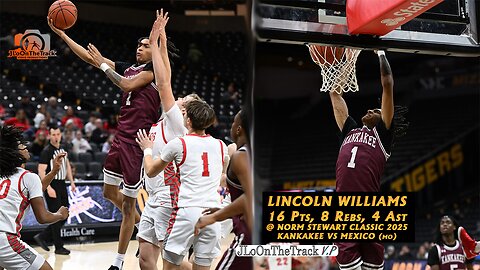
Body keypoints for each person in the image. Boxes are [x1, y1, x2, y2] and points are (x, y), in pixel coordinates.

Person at [47, 13, 177, 269]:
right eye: (138, 45)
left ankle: (117, 262)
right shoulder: (129, 66)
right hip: (120, 138)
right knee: (109, 193)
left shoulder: (152, 73)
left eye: (145, 45)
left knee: (127, 205)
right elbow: (90, 58)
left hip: (137, 143)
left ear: (155, 53)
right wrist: (62, 35)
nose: (139, 48)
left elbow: (127, 85)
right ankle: (143, 223)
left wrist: (105, 65)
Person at [317, 50, 409, 270]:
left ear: (384, 119)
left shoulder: (382, 135)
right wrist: (348, 62)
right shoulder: (349, 130)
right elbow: (334, 93)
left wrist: (380, 53)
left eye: (376, 110)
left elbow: (387, 84)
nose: (370, 109)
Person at [136, 10, 197, 270]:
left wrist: (157, 38)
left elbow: (163, 83)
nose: (179, 98)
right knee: (145, 257)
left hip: (168, 197)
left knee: (170, 259)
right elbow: (167, 77)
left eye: (185, 100)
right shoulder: (167, 119)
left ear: (188, 112)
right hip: (154, 195)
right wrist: (160, 39)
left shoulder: (178, 123)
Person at [137, 99, 228, 270]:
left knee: (170, 267)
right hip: (213, 213)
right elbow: (224, 172)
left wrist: (147, 149)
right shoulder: (221, 145)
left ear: (188, 121)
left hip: (187, 211)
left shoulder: (179, 143)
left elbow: (150, 171)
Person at [0, 125, 69, 270]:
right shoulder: (28, 177)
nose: (25, 148)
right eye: (21, 146)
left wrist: (54, 171)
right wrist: (60, 215)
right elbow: (43, 218)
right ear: (14, 153)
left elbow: (34, 189)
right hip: (4, 239)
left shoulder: (5, 176)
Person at [195, 109, 253, 270]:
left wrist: (214, 217)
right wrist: (225, 210)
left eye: (234, 122)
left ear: (238, 129)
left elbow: (252, 197)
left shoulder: (241, 156)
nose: (232, 126)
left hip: (250, 234)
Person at [34, 125, 76, 255]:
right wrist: (48, 187)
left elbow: (67, 165)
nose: (56, 136)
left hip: (62, 184)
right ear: (49, 136)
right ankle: (58, 247)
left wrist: (72, 182)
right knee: (57, 216)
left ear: (60, 135)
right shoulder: (46, 151)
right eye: (53, 134)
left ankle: (43, 236)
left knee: (65, 213)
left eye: (58, 134)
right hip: (52, 184)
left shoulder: (63, 149)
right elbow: (41, 170)